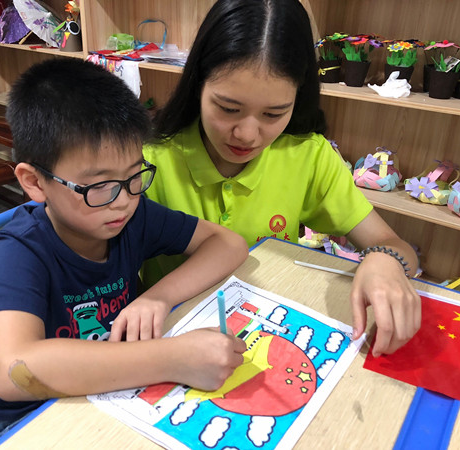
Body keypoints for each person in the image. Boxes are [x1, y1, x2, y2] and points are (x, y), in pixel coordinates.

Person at [0, 58, 248, 441]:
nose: (123, 201)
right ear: (34, 182)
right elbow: (13, 372)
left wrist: (158, 297)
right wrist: (173, 358)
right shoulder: (21, 249)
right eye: (98, 185)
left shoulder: (133, 216)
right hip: (34, 414)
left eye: (134, 175)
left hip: (112, 392)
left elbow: (229, 244)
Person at [142, 0, 421, 359]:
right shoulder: (147, 161)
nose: (247, 135)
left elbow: (393, 245)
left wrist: (385, 261)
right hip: (170, 350)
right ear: (197, 84)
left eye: (274, 113)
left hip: (267, 343)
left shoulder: (307, 155)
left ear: (298, 98)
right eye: (228, 108)